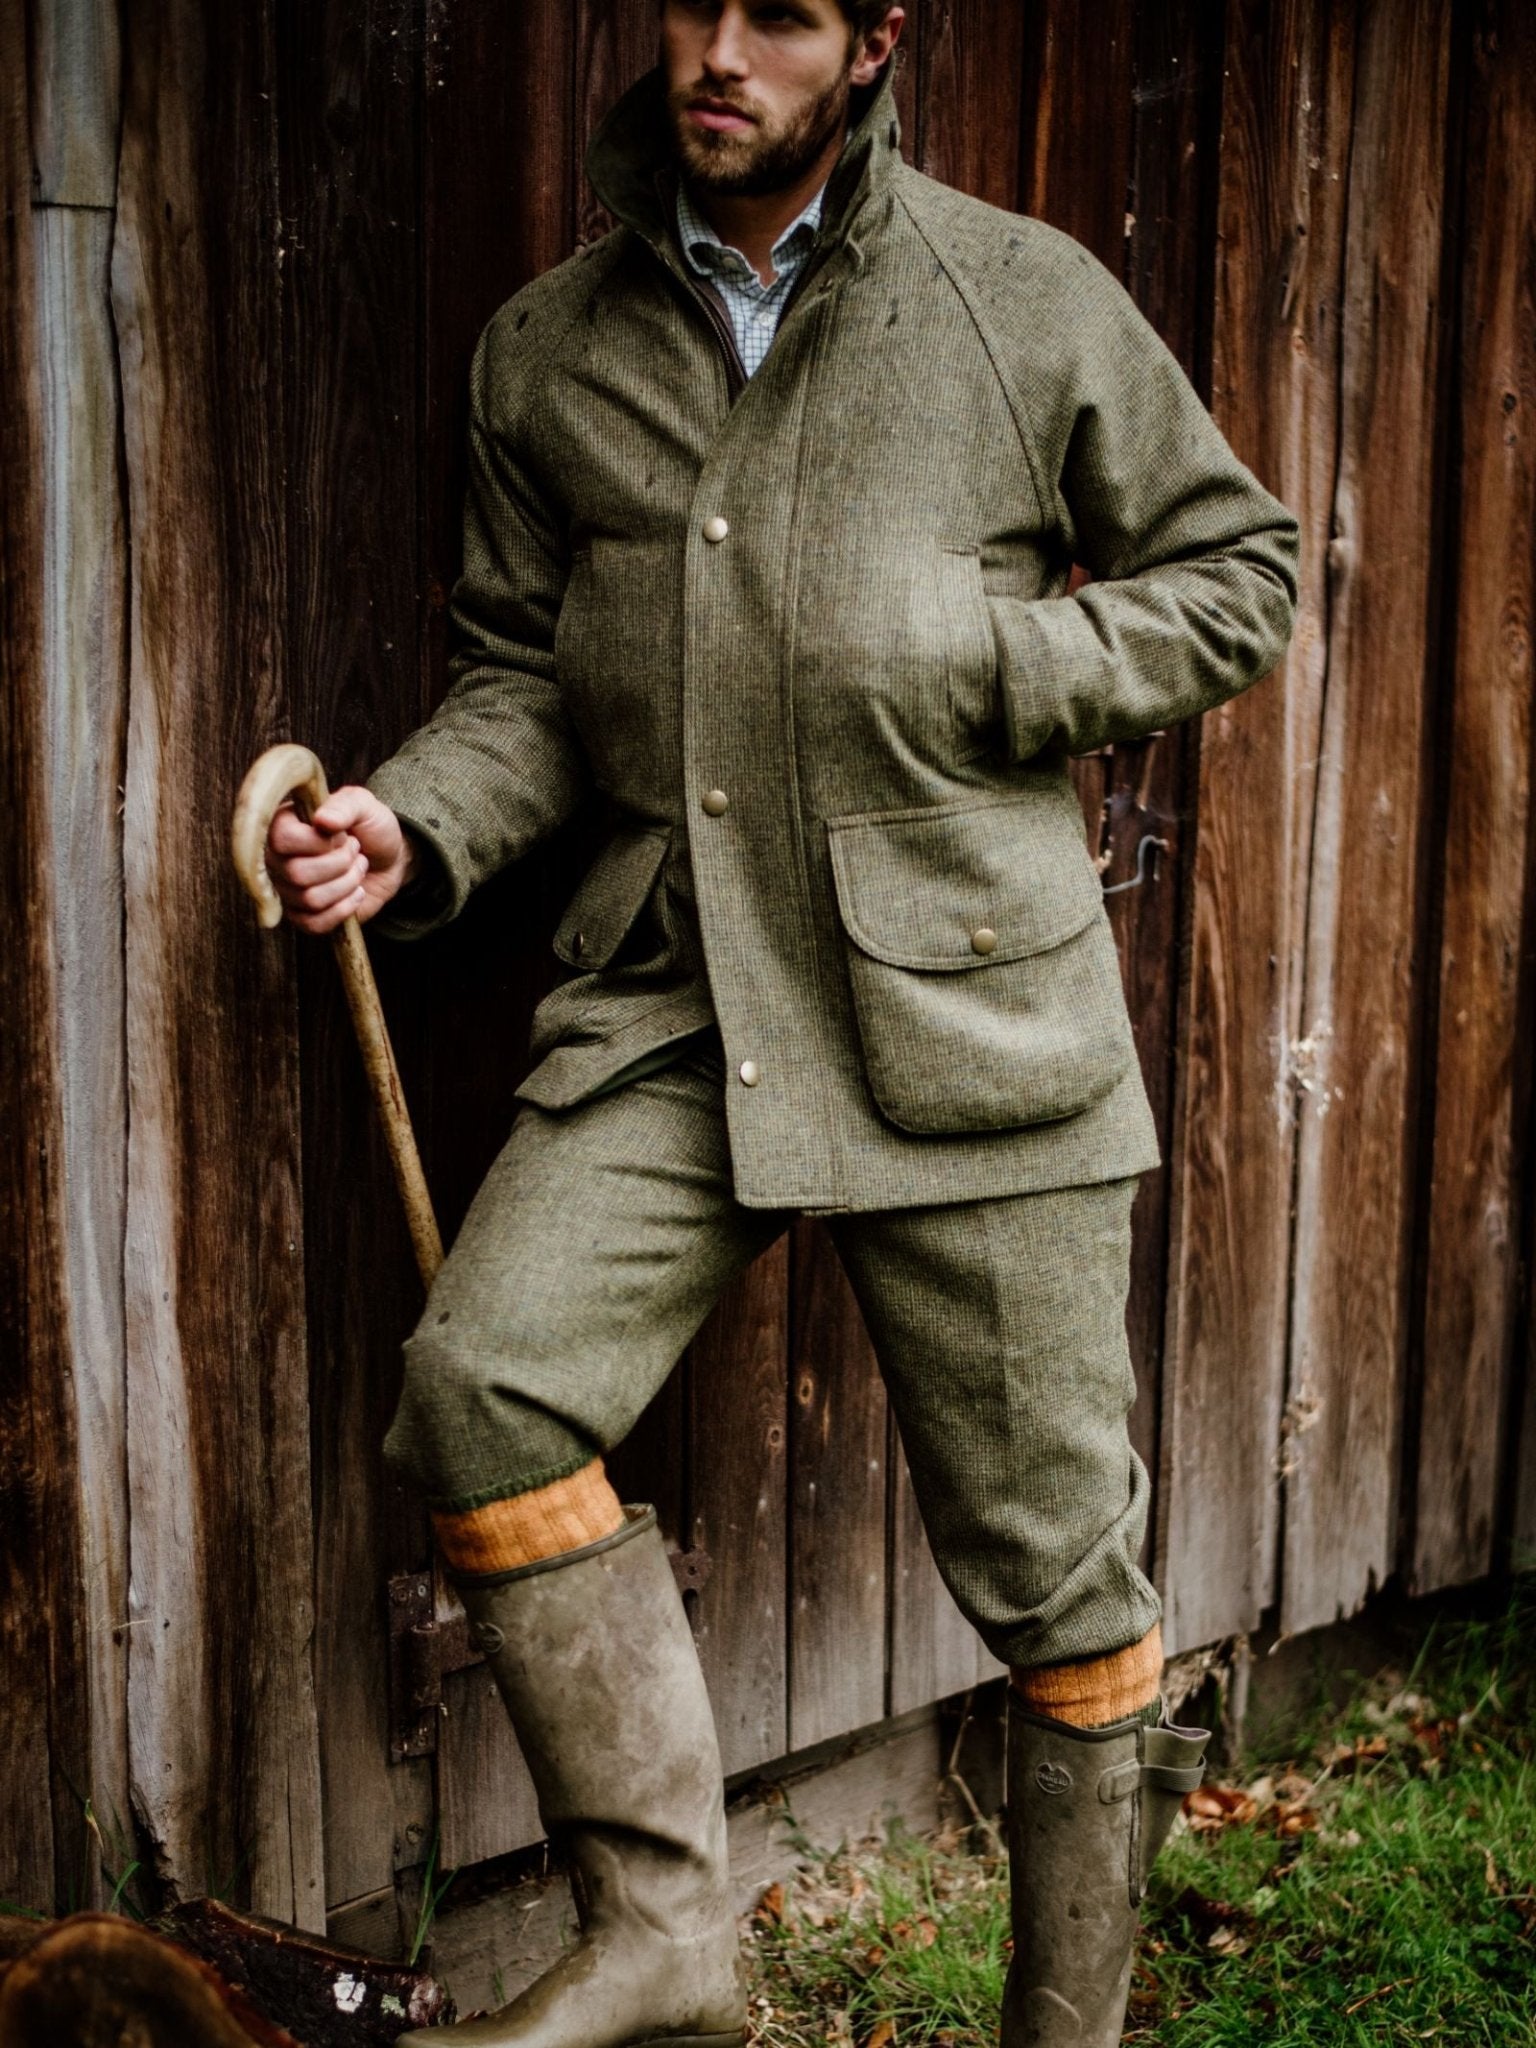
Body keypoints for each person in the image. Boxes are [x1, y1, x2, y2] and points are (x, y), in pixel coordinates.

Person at [266, 3, 1299, 2042]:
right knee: (484, 1384)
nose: (721, 50)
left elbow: (1236, 571)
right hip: (679, 985)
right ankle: (664, 1937)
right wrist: (414, 819)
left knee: (1062, 1585)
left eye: (785, 11)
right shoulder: (547, 350)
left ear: (875, 38)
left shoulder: (1018, 300)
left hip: (967, 1013)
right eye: (694, 2)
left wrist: (990, 655)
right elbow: (527, 684)